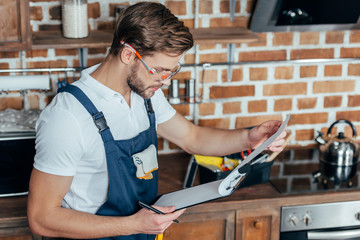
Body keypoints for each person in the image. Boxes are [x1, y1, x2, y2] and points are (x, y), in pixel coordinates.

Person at [27, 2, 287, 240]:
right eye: (160, 70)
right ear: (128, 55)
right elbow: (42, 218)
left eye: (173, 70)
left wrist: (250, 137)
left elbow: (191, 138)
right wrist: (135, 225)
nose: (166, 81)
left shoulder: (146, 94)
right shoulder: (67, 117)